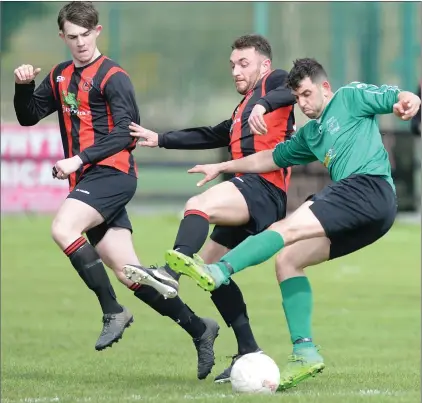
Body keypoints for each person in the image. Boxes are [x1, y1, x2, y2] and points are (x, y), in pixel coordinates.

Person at [164, 58, 421, 390]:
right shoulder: (311, 135)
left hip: (367, 187)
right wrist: (223, 166)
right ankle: (305, 351)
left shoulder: (349, 97)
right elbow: (270, 157)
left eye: (307, 94)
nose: (302, 103)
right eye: (297, 98)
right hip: (374, 217)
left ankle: (219, 270)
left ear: (324, 87)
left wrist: (408, 100)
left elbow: (394, 97)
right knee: (288, 260)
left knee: (284, 230)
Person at [124, 34, 296, 382]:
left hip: (264, 186)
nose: (235, 70)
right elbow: (210, 134)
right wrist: (160, 138)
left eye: (243, 63)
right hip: (253, 191)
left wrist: (264, 106)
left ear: (264, 65)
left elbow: (294, 89)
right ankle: (249, 349)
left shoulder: (274, 83)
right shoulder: (243, 107)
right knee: (212, 271)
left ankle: (169, 273)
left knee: (198, 204)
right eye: (232, 64)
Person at [12, 1, 175, 352]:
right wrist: (23, 86)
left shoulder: (114, 77)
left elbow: (126, 134)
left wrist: (77, 159)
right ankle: (198, 328)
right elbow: (29, 116)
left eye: (86, 34)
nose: (81, 42)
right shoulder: (59, 75)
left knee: (63, 228)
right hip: (88, 181)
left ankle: (112, 311)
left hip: (113, 173)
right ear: (62, 36)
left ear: (97, 31)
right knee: (128, 270)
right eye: (73, 36)